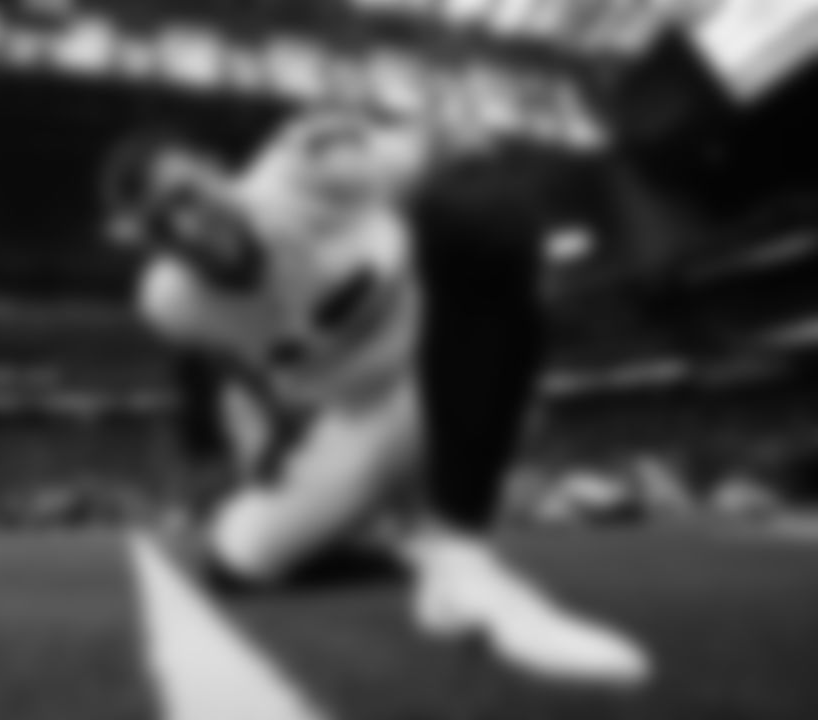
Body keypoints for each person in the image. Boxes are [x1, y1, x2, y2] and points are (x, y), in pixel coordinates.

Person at [105, 109, 652, 688]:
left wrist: (456, 143)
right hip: (357, 421)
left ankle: (460, 555)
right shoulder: (169, 302)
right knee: (235, 562)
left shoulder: (307, 170)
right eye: (162, 225)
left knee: (479, 212)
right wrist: (264, 424)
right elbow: (228, 360)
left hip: (443, 373)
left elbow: (440, 144)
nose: (188, 229)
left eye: (187, 196)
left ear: (218, 171)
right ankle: (383, 548)